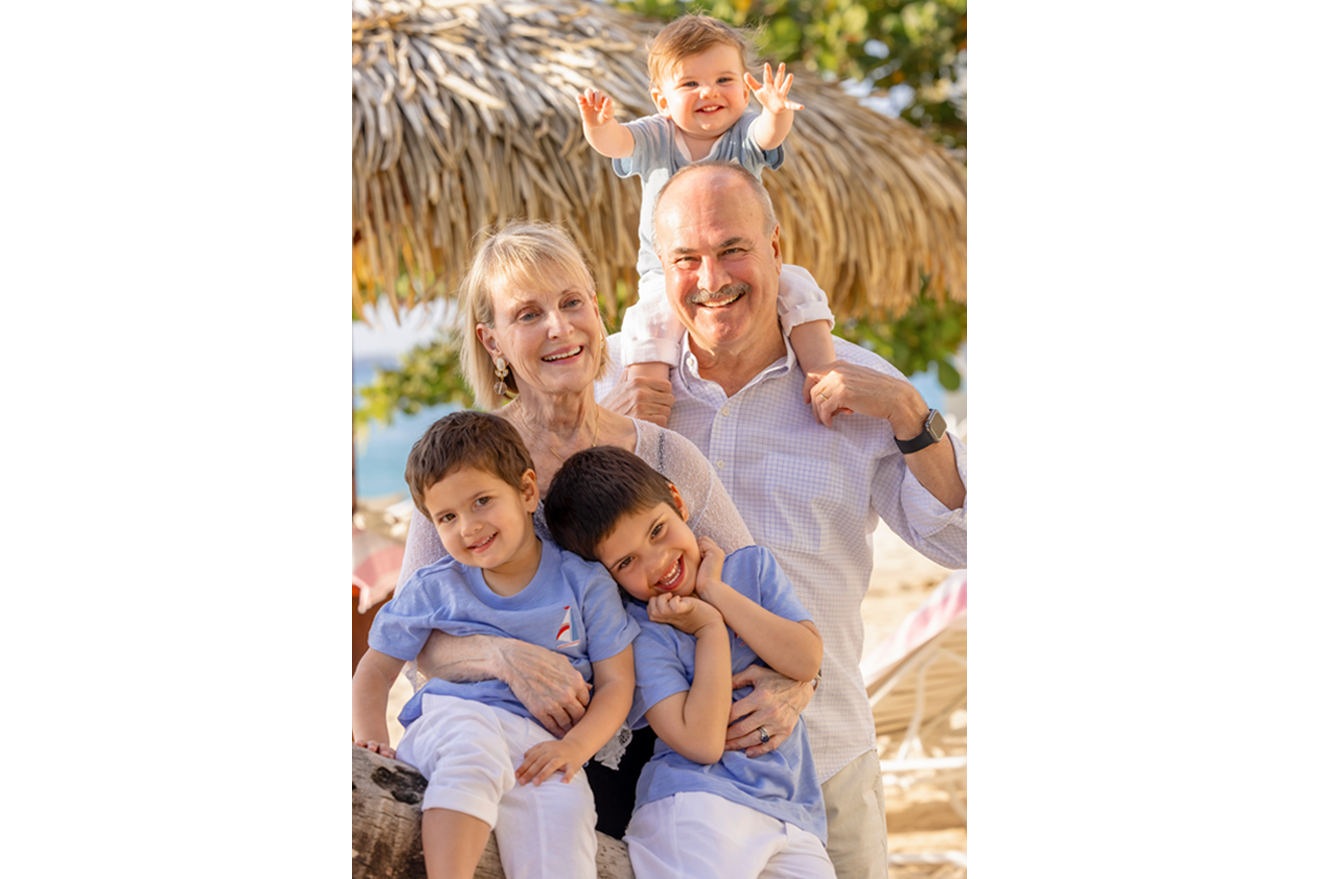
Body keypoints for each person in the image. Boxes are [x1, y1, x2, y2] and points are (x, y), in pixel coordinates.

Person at [599, 160, 969, 879]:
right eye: (686, 258)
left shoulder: (859, 383)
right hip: (666, 787)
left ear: (775, 247)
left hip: (826, 760)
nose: (711, 278)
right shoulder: (616, 386)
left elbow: (961, 541)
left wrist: (908, 413)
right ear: (660, 269)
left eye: (732, 248)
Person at [392, 219, 764, 837]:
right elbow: (413, 634)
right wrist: (504, 657)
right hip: (523, 757)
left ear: (596, 310)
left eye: (571, 303)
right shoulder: (465, 471)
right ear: (492, 341)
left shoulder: (665, 456)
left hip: (676, 758)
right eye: (528, 314)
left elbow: (756, 586)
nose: (559, 328)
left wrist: (790, 685)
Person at [352, 411, 638, 879]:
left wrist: (576, 748)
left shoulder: (584, 583)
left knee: (566, 815)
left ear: (527, 491)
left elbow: (617, 683)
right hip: (452, 721)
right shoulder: (434, 587)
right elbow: (375, 669)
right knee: (473, 751)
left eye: (482, 501)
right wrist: (370, 741)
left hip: (544, 746)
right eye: (447, 517)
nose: (468, 527)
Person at [544, 446, 835, 879]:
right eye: (626, 562)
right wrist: (709, 630)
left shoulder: (751, 569)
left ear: (678, 502)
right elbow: (701, 744)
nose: (657, 562)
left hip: (793, 814)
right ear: (607, 576)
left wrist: (715, 592)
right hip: (697, 805)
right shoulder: (642, 631)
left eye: (657, 530)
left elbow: (806, 660)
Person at [576, 13, 838, 417]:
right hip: (668, 273)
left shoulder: (744, 132)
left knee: (798, 285)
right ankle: (647, 404)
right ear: (662, 101)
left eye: (723, 79)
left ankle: (823, 375)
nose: (708, 92)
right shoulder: (657, 134)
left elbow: (768, 134)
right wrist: (599, 126)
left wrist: (777, 112)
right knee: (648, 319)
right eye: (690, 84)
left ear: (745, 91)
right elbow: (618, 143)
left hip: (745, 263)